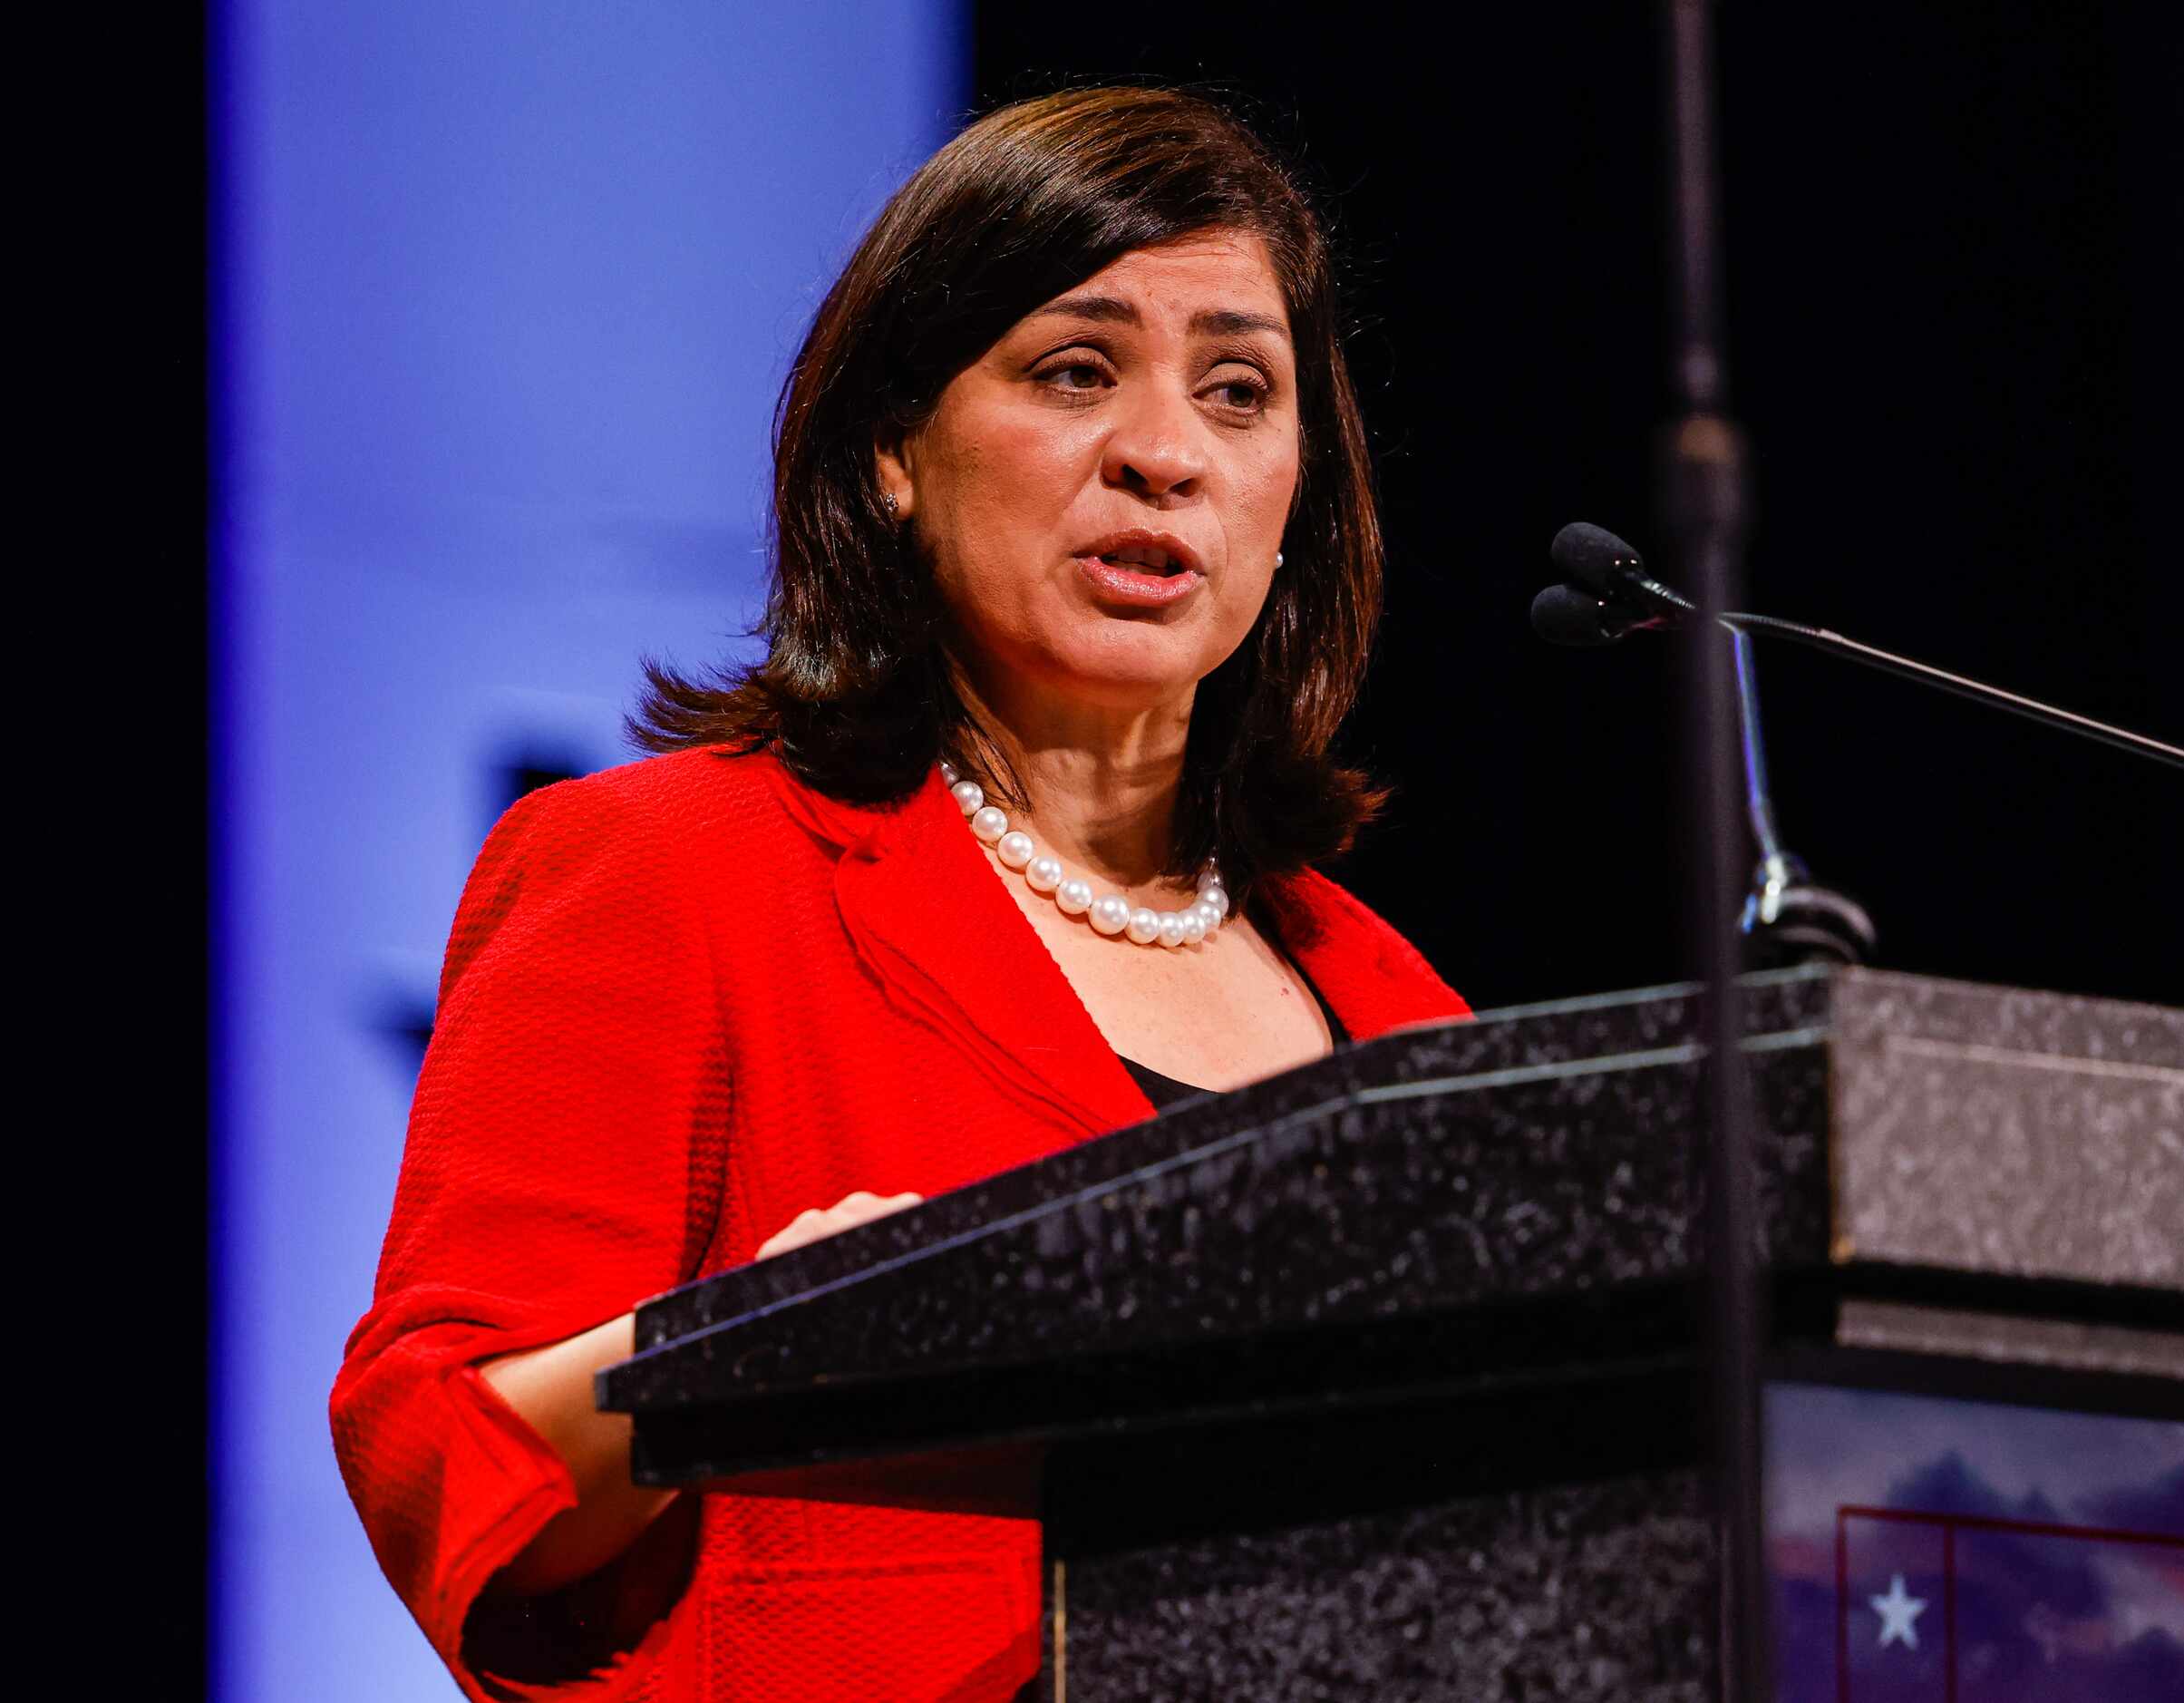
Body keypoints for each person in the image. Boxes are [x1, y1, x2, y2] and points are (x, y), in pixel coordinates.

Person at [329, 85, 1470, 1702]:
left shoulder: (1395, 1008)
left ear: (1299, 500)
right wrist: (767, 1340)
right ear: (892, 454)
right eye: (1076, 372)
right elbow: (444, 1454)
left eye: (1239, 391)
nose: (1164, 455)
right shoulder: (676, 870)